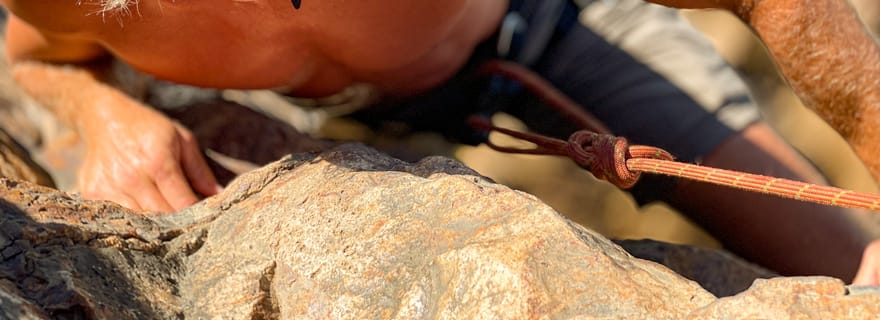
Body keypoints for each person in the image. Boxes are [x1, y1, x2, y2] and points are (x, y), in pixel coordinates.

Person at [2, 0, 879, 285]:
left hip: (537, 39)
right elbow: (25, 53)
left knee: (844, 266)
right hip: (324, 115)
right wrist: (96, 110)